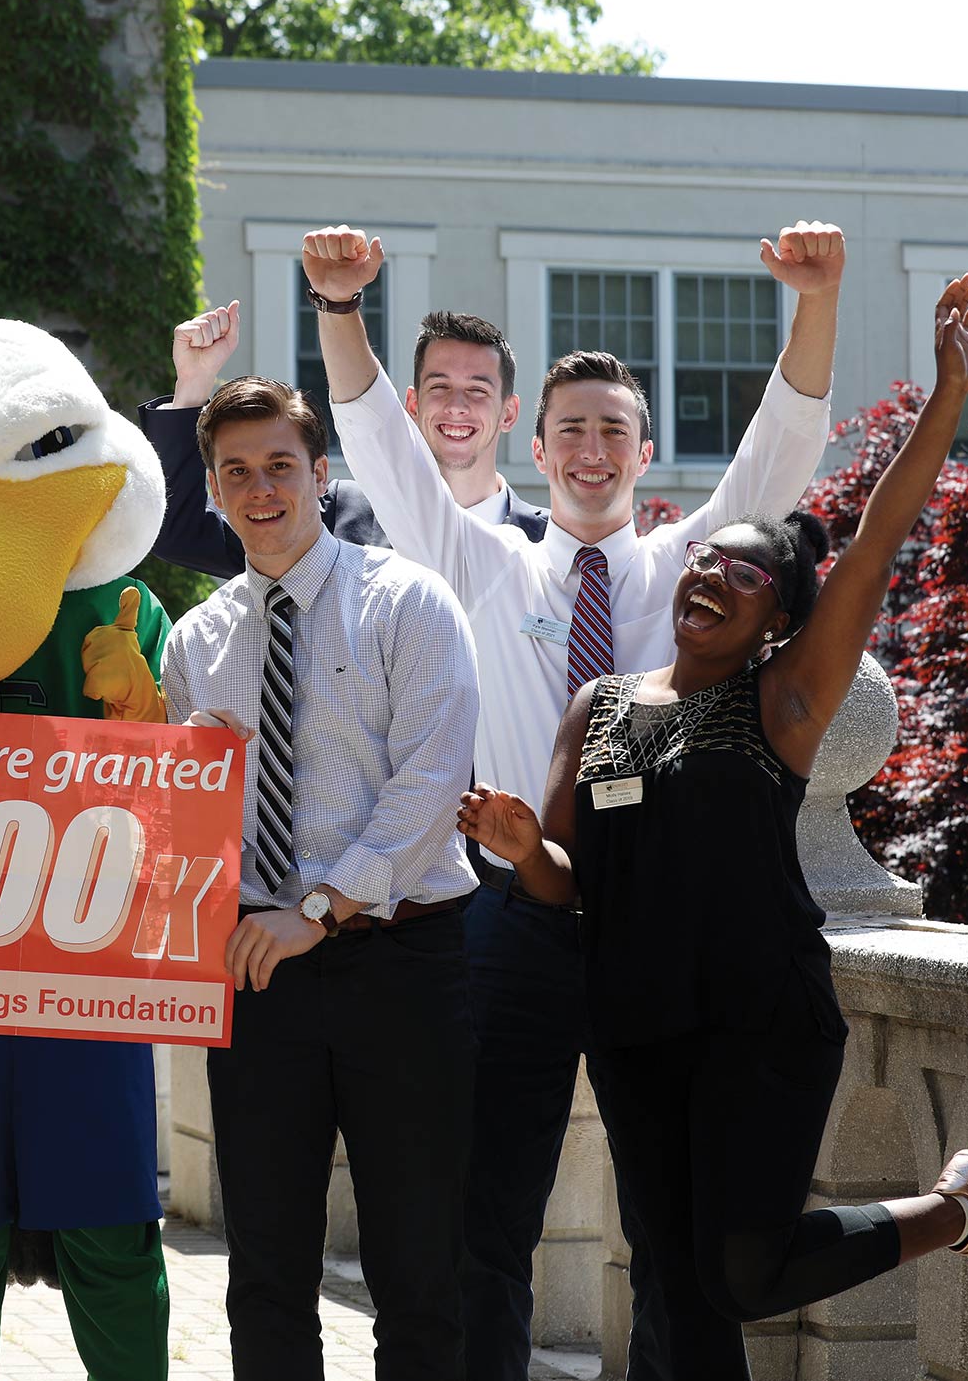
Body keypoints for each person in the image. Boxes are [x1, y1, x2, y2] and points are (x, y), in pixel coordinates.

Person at [310, 218, 846, 1379]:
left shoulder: (691, 570)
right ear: (535, 449)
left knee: (672, 1232)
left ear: (643, 451)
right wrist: (340, 309)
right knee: (485, 1213)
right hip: (515, 921)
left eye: (611, 429)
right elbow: (384, 451)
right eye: (569, 431)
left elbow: (778, 448)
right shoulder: (476, 563)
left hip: (661, 931)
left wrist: (814, 300)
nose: (590, 449)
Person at [455, 275, 968, 1377]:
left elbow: (876, 541)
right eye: (705, 559)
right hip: (633, 1027)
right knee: (682, 1289)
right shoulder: (596, 708)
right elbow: (567, 884)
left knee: (742, 1272)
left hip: (758, 1023)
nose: (712, 574)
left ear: (777, 620)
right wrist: (519, 848)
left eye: (746, 573)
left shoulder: (781, 701)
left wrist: (948, 396)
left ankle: (954, 1211)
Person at [160, 375, 481, 1378]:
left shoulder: (408, 601)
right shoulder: (195, 643)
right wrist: (186, 769)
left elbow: (431, 780)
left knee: (418, 1265)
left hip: (402, 961)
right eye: (236, 472)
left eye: (279, 467)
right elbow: (180, 831)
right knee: (263, 1267)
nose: (260, 490)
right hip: (259, 975)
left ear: (319, 473)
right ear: (214, 488)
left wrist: (320, 907)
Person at [140, 299, 547, 579]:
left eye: (477, 391)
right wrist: (193, 384)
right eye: (439, 387)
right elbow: (181, 534)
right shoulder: (338, 513)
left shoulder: (549, 543)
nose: (457, 406)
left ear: (509, 412)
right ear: (411, 403)